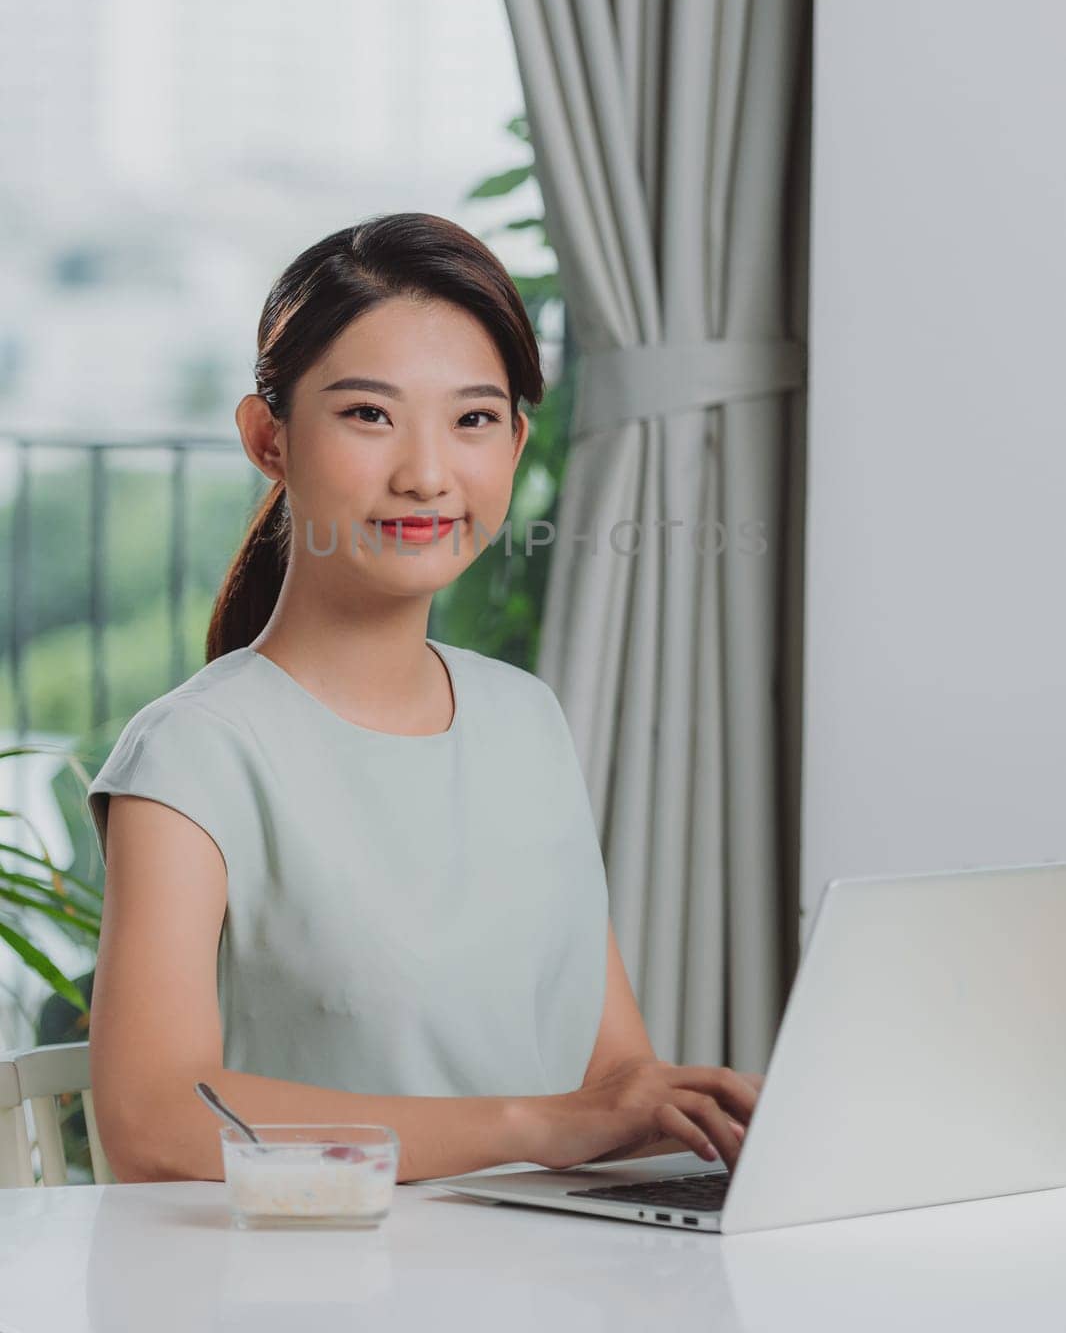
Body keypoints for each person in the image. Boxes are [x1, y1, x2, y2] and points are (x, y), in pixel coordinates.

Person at [86, 213, 761, 1184]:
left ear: (517, 443)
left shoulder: (525, 718)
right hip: (316, 1287)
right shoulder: (194, 755)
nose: (428, 474)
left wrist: (719, 1121)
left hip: (553, 1276)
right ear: (267, 439)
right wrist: (536, 1125)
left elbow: (610, 1073)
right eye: (369, 414)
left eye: (473, 418)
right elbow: (152, 1118)